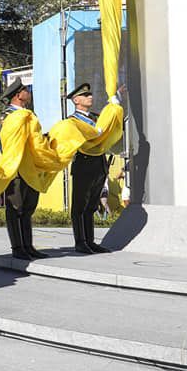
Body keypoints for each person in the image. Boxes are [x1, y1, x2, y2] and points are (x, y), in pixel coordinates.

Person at [0, 78, 48, 261]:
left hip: (31, 168)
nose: (29, 92)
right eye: (26, 90)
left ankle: (28, 246)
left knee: (28, 208)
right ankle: (17, 247)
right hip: (16, 169)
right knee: (15, 208)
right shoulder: (7, 116)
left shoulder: (29, 115)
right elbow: (6, 141)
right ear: (18, 95)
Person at [65, 83, 112, 252]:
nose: (90, 97)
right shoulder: (72, 121)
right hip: (84, 165)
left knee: (92, 205)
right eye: (85, 95)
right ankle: (80, 242)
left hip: (99, 165)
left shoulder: (96, 117)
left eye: (90, 94)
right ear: (76, 100)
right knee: (80, 205)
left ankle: (90, 241)